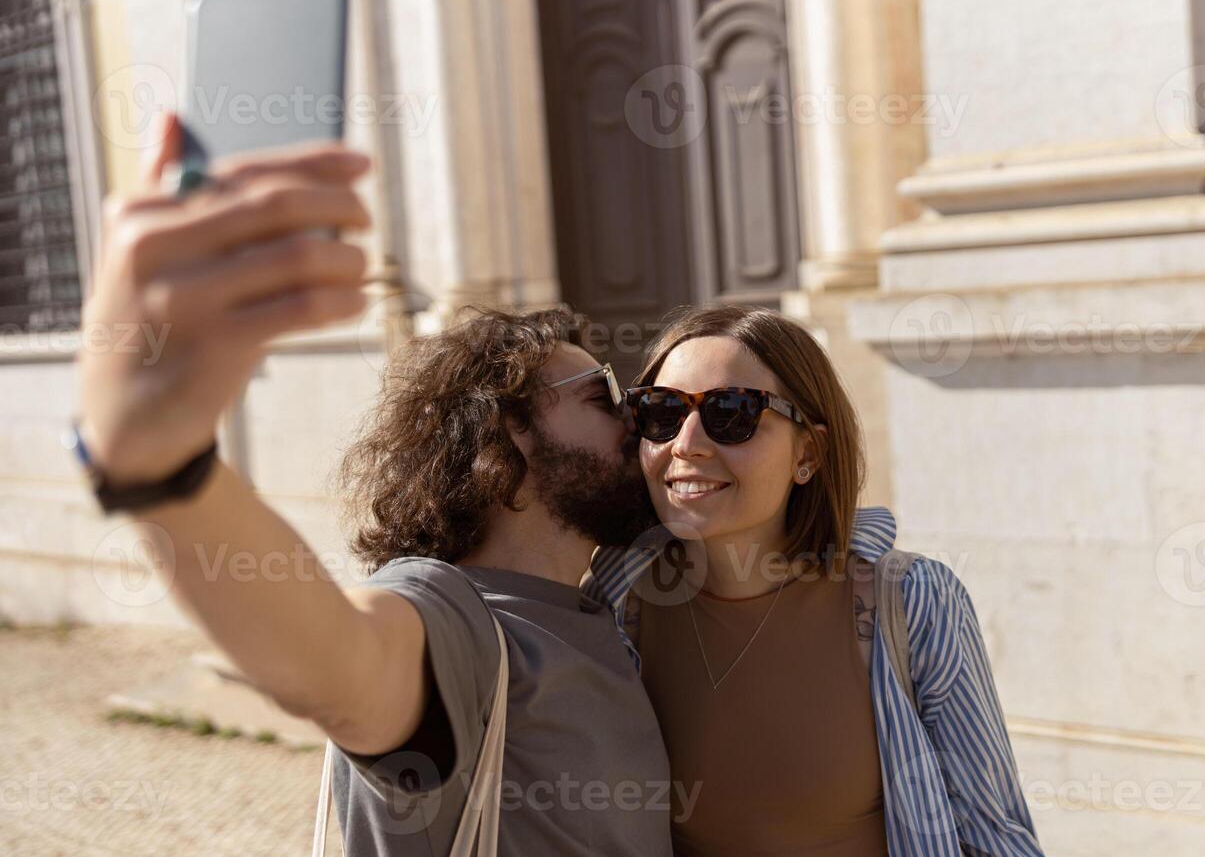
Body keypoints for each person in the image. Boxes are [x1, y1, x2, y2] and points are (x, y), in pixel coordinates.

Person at [72, 112, 674, 856]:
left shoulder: (606, 604)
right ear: (513, 430)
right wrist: (160, 469)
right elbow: (336, 663)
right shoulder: (456, 618)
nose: (638, 423)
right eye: (602, 397)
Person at [586, 305, 1045, 857]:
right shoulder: (613, 607)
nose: (686, 444)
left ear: (808, 452)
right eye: (661, 413)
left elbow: (994, 837)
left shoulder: (909, 602)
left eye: (732, 414)